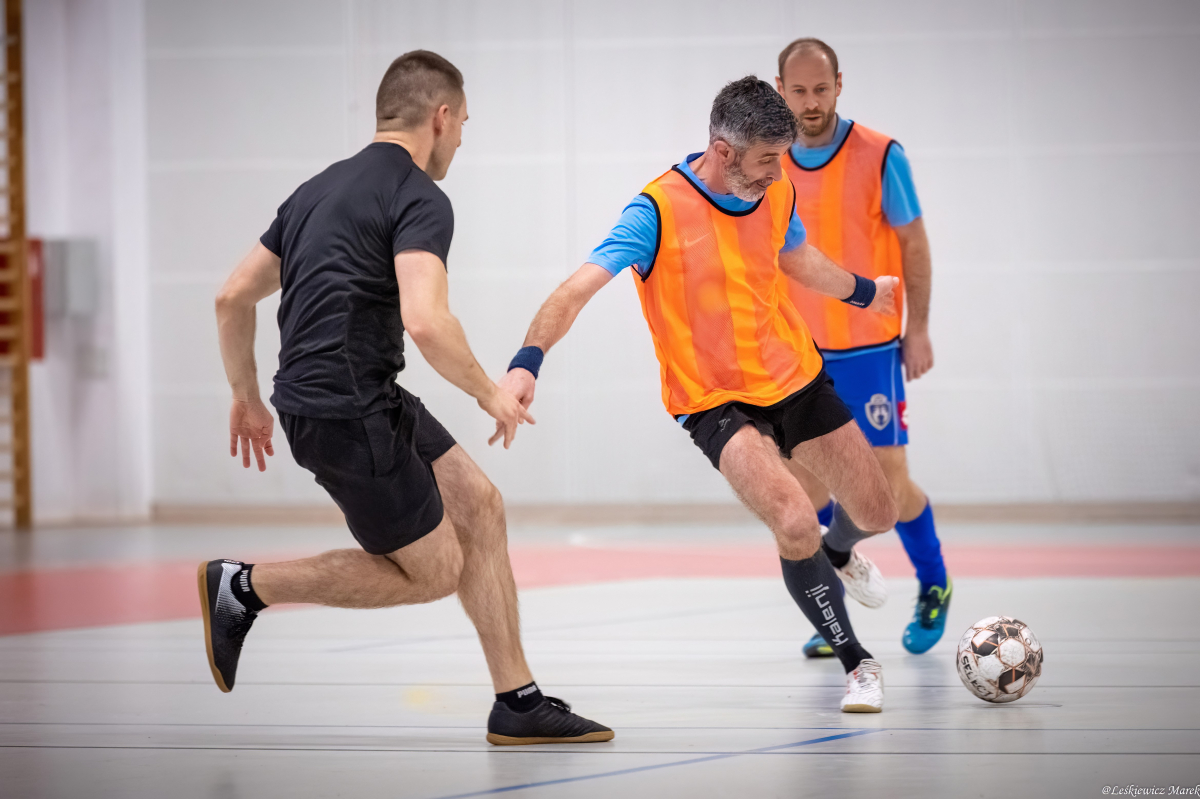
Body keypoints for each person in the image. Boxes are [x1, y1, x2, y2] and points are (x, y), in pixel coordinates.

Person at [200, 50, 612, 746]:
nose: (462, 140)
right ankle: (245, 586)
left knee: (480, 505)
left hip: (361, 395)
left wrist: (245, 393)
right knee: (434, 571)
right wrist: (489, 393)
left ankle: (517, 701)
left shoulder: (315, 191)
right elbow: (426, 321)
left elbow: (231, 296)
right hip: (345, 409)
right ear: (441, 117)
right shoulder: (419, 196)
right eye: (465, 124)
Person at [498, 76, 900, 713]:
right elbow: (574, 292)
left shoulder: (776, 189)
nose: (778, 171)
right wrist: (527, 363)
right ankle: (858, 662)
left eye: (782, 157)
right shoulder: (655, 211)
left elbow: (796, 257)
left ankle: (840, 551)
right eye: (766, 159)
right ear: (723, 151)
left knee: (879, 510)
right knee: (794, 519)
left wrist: (864, 292)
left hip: (793, 376)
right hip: (713, 399)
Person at [775, 38, 951, 657]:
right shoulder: (768, 161)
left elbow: (915, 245)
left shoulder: (880, 154)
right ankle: (836, 620)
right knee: (808, 491)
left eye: (821, 89)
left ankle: (934, 583)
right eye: (799, 91)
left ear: (839, 85)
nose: (810, 102)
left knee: (887, 485)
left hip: (870, 348)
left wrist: (917, 328)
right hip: (799, 354)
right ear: (780, 90)